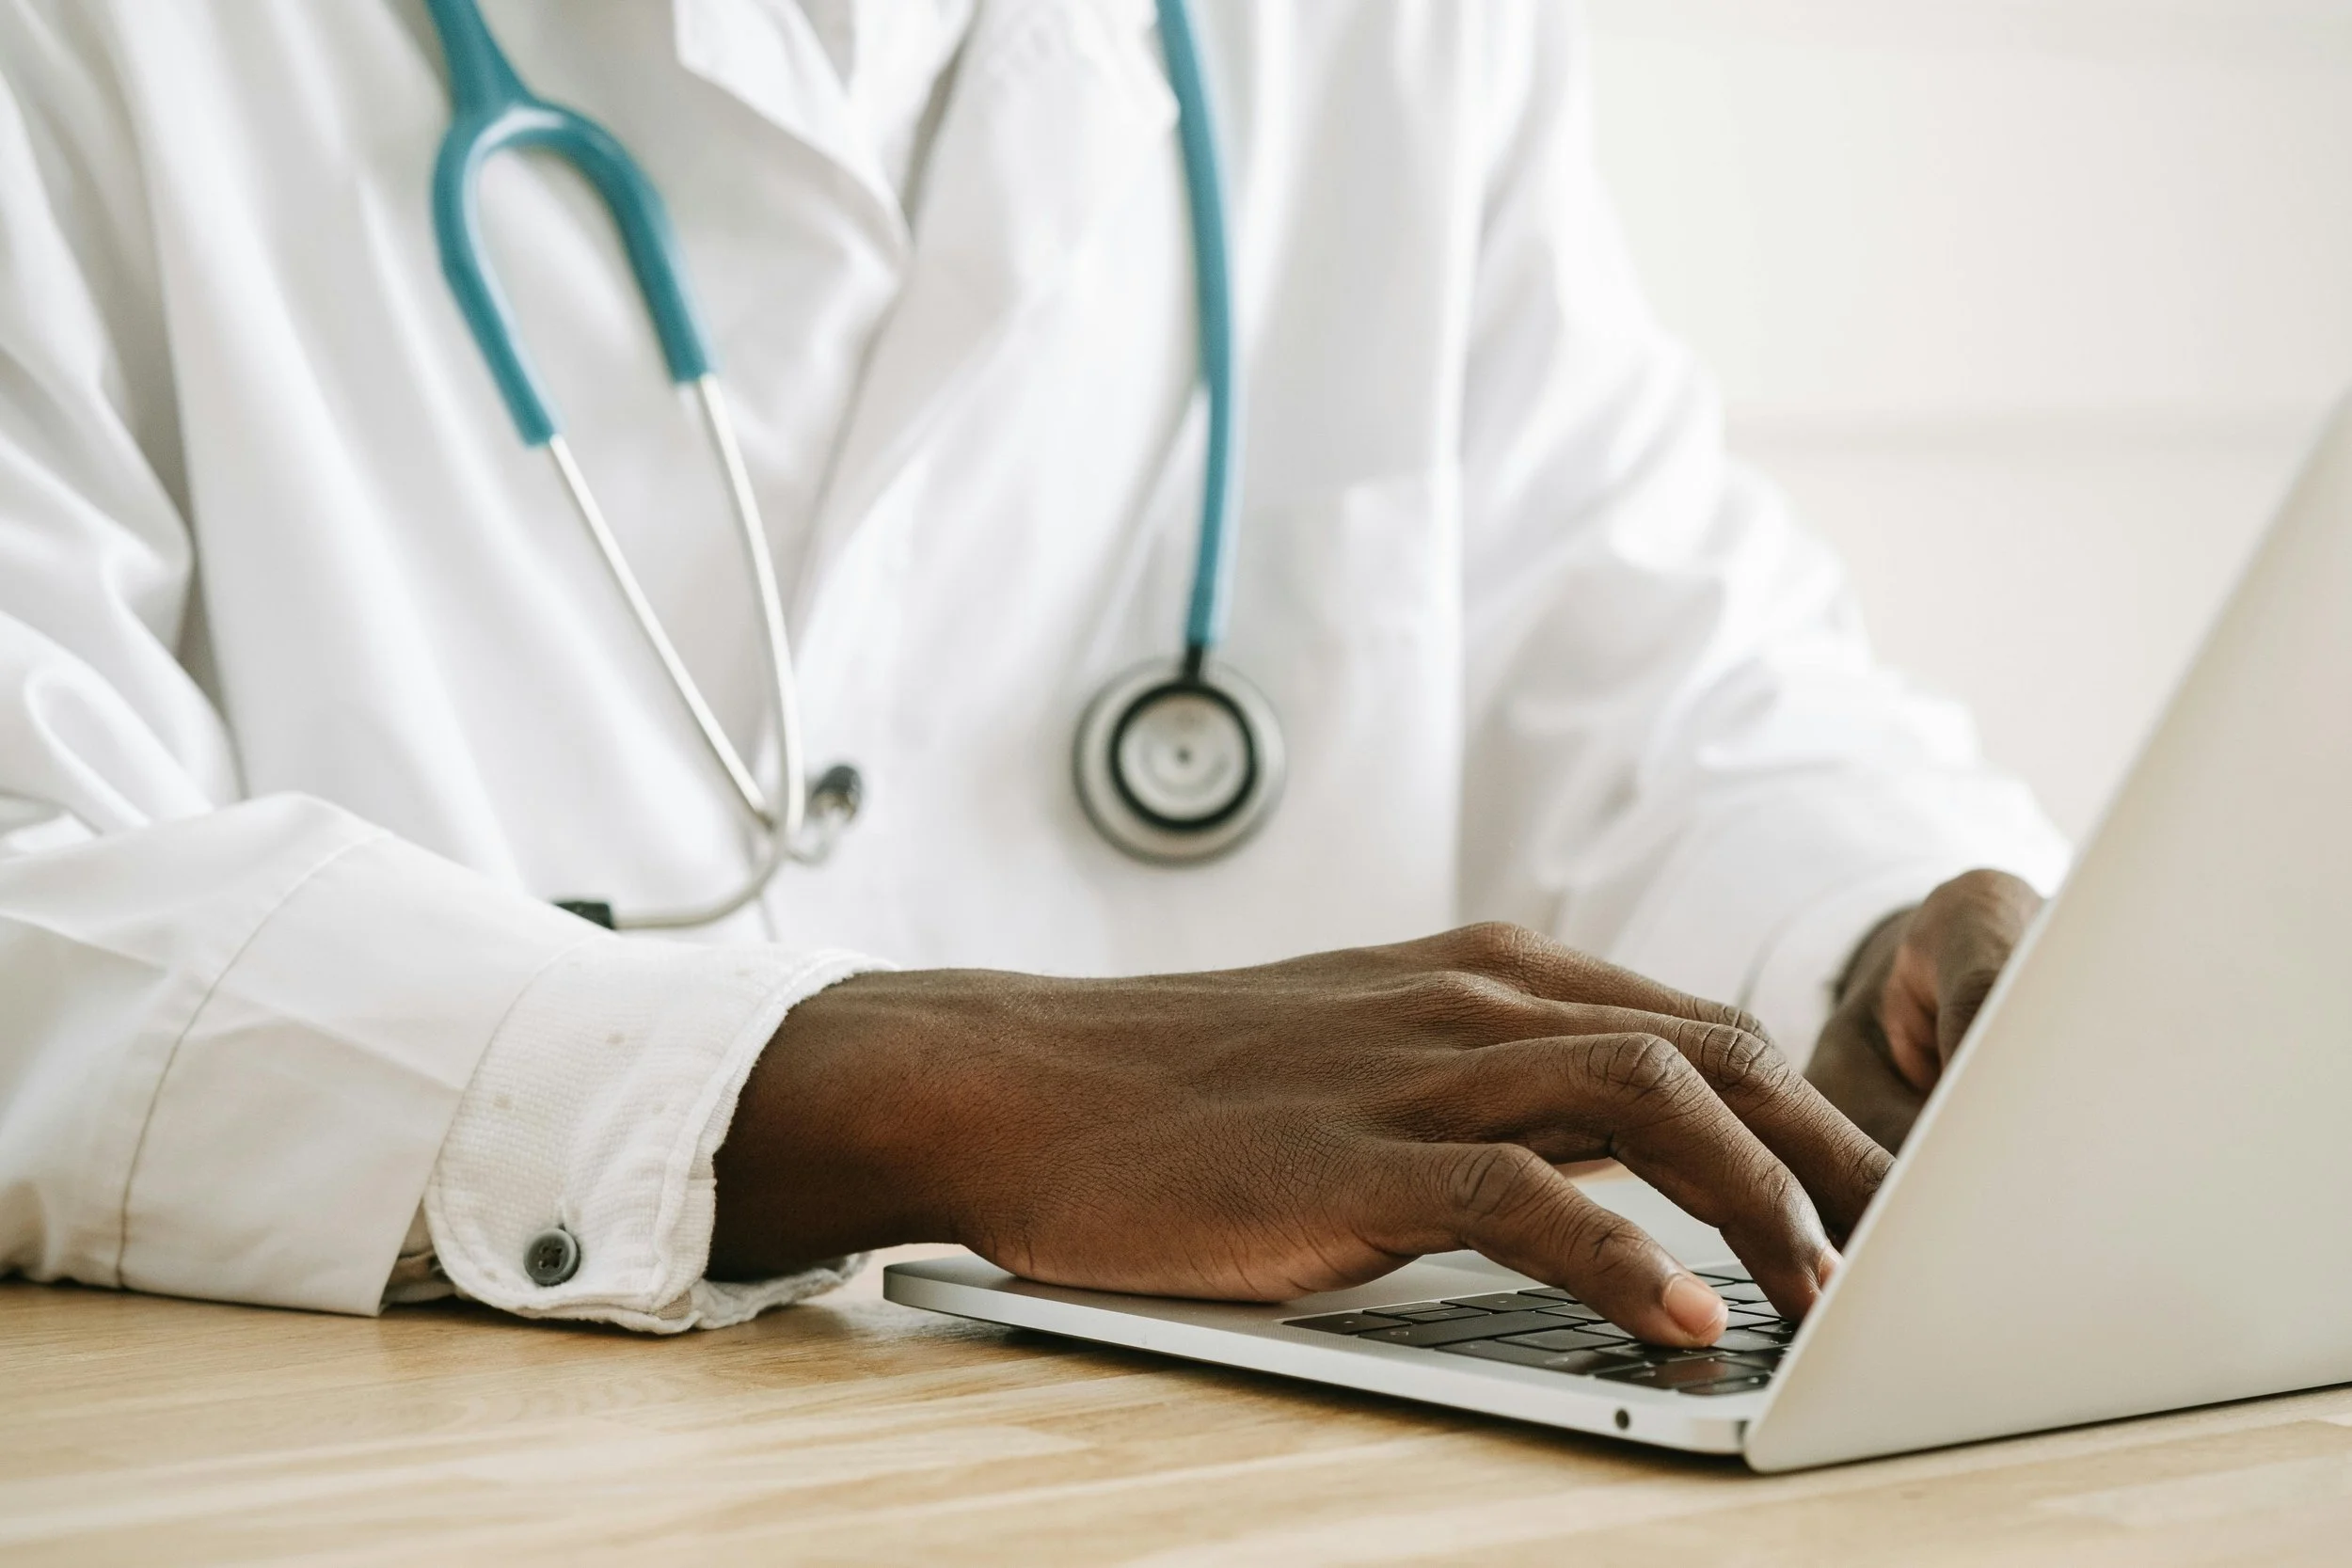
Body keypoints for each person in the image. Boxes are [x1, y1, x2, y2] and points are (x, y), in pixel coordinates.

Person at [0, 0, 2064, 1347]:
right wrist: (884, 1089)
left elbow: (1643, 638)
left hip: (1203, 1482)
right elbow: (31, 900)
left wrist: (1862, 956)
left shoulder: (1386, 43)